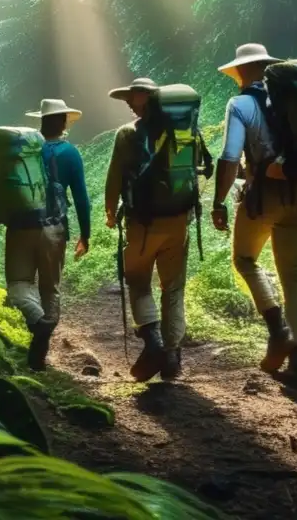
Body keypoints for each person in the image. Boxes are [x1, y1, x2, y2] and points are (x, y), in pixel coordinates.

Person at [210, 43, 297, 387]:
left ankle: (277, 330)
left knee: (244, 260)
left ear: (241, 71)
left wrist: (218, 201)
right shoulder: (293, 100)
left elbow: (229, 156)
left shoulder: (240, 103)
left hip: (263, 198)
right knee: (296, 275)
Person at [105, 77, 190, 382]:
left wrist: (109, 211)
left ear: (147, 97)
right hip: (179, 220)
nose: (128, 101)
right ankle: (171, 356)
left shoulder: (127, 134)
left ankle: (154, 342)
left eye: (132, 96)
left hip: (142, 223)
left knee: (139, 281)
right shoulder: (183, 129)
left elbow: (115, 176)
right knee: (173, 287)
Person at [1, 98, 92, 371]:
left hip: (19, 229)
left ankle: (36, 325)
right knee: (49, 289)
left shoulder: (24, 152)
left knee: (19, 285)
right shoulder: (69, 153)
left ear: (40, 121)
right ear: (63, 122)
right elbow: (81, 197)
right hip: (53, 229)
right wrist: (85, 234)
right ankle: (41, 341)